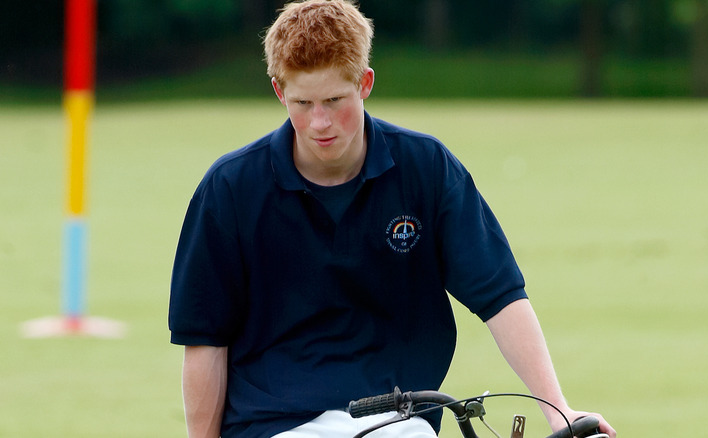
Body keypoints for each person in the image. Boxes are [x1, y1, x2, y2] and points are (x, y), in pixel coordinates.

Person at [168, 1, 617, 437]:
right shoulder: (229, 188)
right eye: (303, 103)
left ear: (365, 83)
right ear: (279, 91)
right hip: (272, 424)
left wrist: (558, 410)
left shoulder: (427, 168)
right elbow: (205, 340)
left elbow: (500, 296)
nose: (320, 122)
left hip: (396, 420)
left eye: (334, 99)